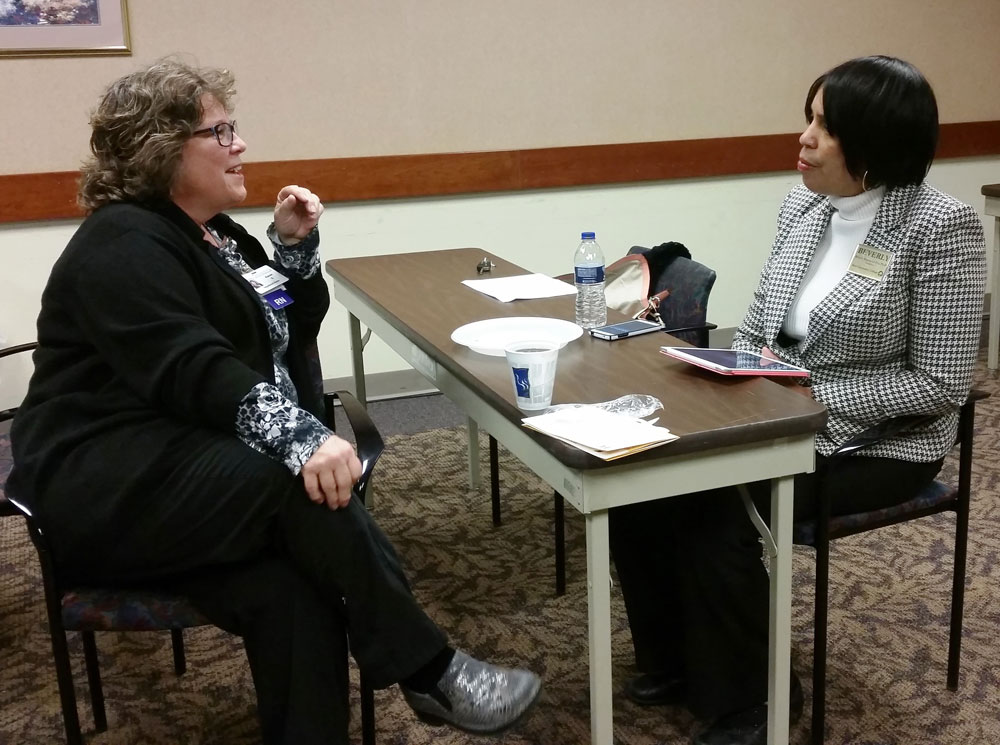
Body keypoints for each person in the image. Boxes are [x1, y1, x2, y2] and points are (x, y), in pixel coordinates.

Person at [8, 59, 541, 745]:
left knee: (294, 588)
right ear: (161, 148)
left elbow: (283, 323)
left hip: (186, 473)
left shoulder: (219, 235)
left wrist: (291, 249)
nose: (241, 145)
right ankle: (430, 667)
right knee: (292, 482)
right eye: (220, 130)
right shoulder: (120, 245)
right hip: (106, 487)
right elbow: (194, 366)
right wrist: (301, 439)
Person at [609, 55, 986, 745]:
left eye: (825, 125)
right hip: (769, 409)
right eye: (807, 118)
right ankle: (674, 658)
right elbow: (759, 325)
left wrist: (807, 396)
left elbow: (940, 383)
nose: (804, 138)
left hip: (882, 440)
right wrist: (730, 369)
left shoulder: (941, 228)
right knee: (638, 472)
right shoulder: (803, 205)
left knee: (707, 496)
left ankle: (754, 699)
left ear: (873, 144)